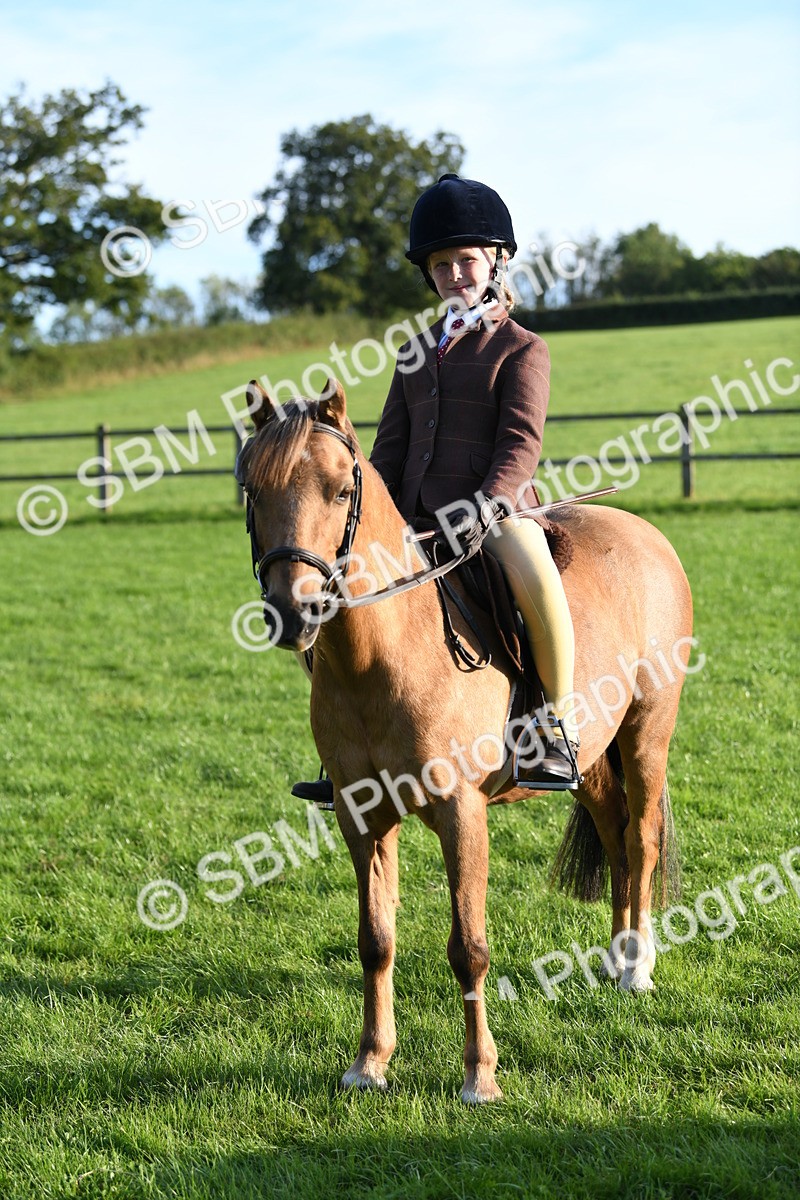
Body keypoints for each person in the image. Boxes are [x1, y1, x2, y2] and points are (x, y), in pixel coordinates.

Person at [293, 173, 580, 805]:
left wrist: (488, 505)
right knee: (329, 592)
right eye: (441, 265)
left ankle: (555, 725)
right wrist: (369, 512)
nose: (454, 274)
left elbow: (520, 444)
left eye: (466, 261)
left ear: (495, 261)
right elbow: (389, 451)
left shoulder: (521, 349)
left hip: (496, 514)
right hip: (412, 518)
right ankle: (341, 751)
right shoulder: (415, 352)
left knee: (534, 575)